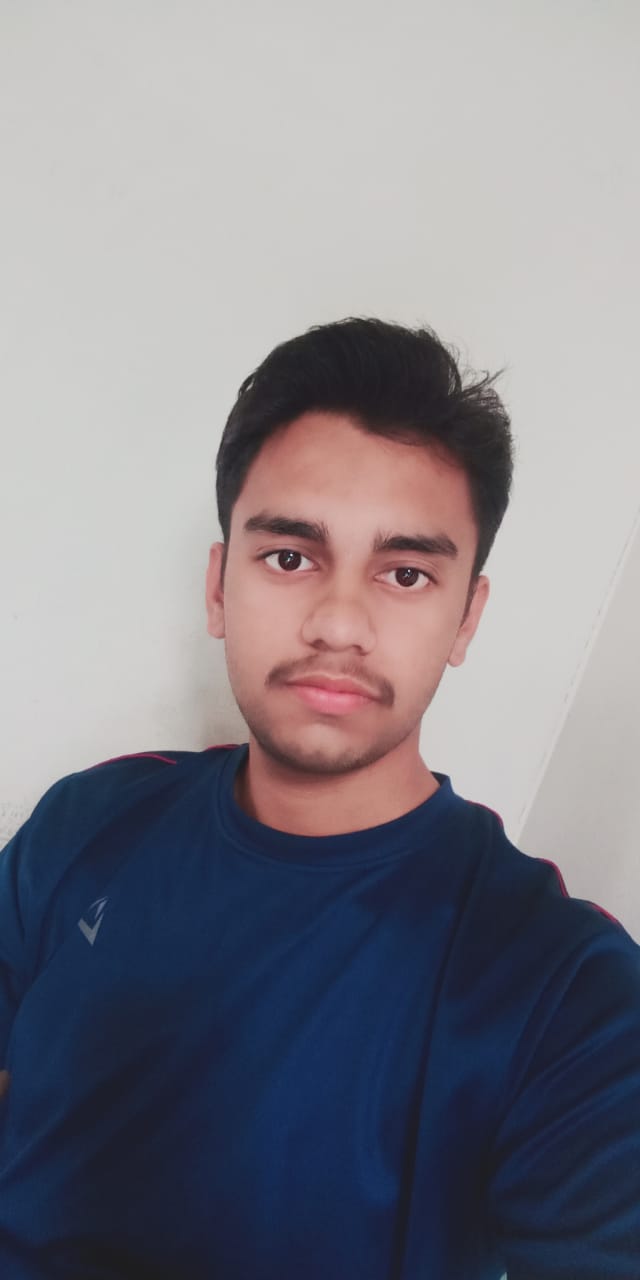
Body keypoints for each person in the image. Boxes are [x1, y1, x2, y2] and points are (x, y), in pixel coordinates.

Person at [0, 317, 638, 1280]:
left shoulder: (561, 984)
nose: (340, 624)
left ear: (467, 619)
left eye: (406, 573)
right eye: (291, 557)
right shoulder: (89, 819)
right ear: (219, 588)